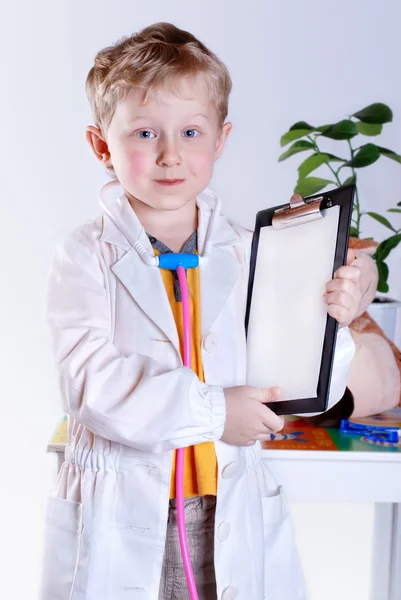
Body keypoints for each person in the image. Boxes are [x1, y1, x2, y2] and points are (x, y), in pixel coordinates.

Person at [39, 22, 362, 600]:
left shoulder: (249, 250)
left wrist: (334, 314)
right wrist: (215, 414)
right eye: (144, 132)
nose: (170, 154)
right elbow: (90, 384)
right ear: (101, 146)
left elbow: (303, 384)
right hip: (130, 511)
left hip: (225, 506)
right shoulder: (85, 255)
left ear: (220, 139)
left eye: (191, 131)